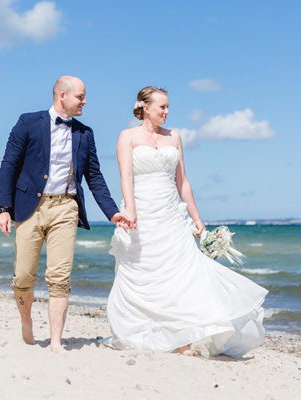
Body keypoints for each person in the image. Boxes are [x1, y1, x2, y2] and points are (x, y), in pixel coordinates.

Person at [104, 86, 268, 357]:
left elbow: (182, 181)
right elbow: (125, 177)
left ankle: (183, 339)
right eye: (162, 107)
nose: (167, 112)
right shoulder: (127, 137)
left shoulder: (175, 136)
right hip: (142, 212)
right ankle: (161, 333)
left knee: (180, 274)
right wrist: (130, 209)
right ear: (145, 107)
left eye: (168, 107)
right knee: (148, 272)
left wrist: (197, 219)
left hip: (170, 214)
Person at [0, 76, 129, 354]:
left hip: (66, 207)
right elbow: (9, 164)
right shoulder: (28, 122)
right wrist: (3, 208)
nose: (85, 101)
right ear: (63, 95)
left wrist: (113, 213)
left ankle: (56, 341)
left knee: (59, 276)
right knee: (23, 276)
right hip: (28, 207)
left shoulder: (85, 133)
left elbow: (94, 176)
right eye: (81, 96)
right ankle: (26, 322)